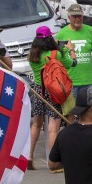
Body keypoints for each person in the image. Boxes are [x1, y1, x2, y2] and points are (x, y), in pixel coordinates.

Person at [26, 25, 76, 171]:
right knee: (53, 127)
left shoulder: (33, 56)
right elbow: (72, 63)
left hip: (37, 91)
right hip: (52, 91)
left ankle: (29, 155)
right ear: (49, 39)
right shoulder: (57, 54)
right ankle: (53, 162)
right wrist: (70, 50)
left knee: (36, 124)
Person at [55, 4, 92, 101]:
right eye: (74, 16)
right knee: (72, 114)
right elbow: (58, 58)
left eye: (79, 16)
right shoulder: (61, 33)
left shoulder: (90, 31)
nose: (77, 19)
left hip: (88, 82)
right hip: (70, 83)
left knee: (90, 113)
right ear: (69, 17)